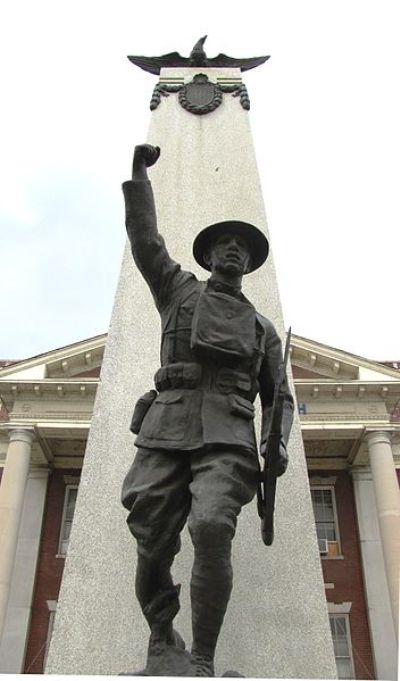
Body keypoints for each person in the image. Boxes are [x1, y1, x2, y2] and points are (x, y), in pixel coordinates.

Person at [121, 144, 294, 676]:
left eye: (242, 247)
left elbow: (278, 394)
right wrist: (138, 176)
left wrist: (278, 441)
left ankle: (202, 658)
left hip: (227, 437)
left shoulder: (262, 328)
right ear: (209, 255)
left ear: (250, 261)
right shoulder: (176, 290)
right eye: (224, 244)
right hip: (166, 425)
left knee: (214, 526)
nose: (233, 251)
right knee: (150, 538)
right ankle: (161, 633)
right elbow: (145, 241)